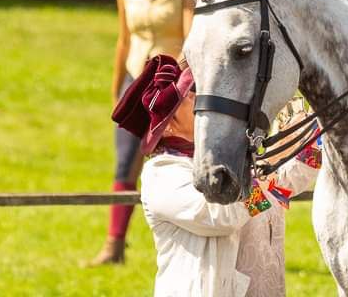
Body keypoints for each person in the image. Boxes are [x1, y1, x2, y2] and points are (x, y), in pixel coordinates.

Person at [112, 55, 321, 296]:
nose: (195, 96)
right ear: (168, 126)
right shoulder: (161, 174)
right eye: (185, 97)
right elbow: (223, 216)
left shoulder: (222, 158)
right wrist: (271, 162)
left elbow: (280, 184)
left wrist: (312, 139)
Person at [86, 0, 195, 266]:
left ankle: (188, 241)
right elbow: (124, 38)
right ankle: (114, 244)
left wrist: (175, 83)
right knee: (124, 163)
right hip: (136, 78)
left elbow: (190, 39)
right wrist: (117, 83)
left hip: (171, 83)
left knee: (174, 160)